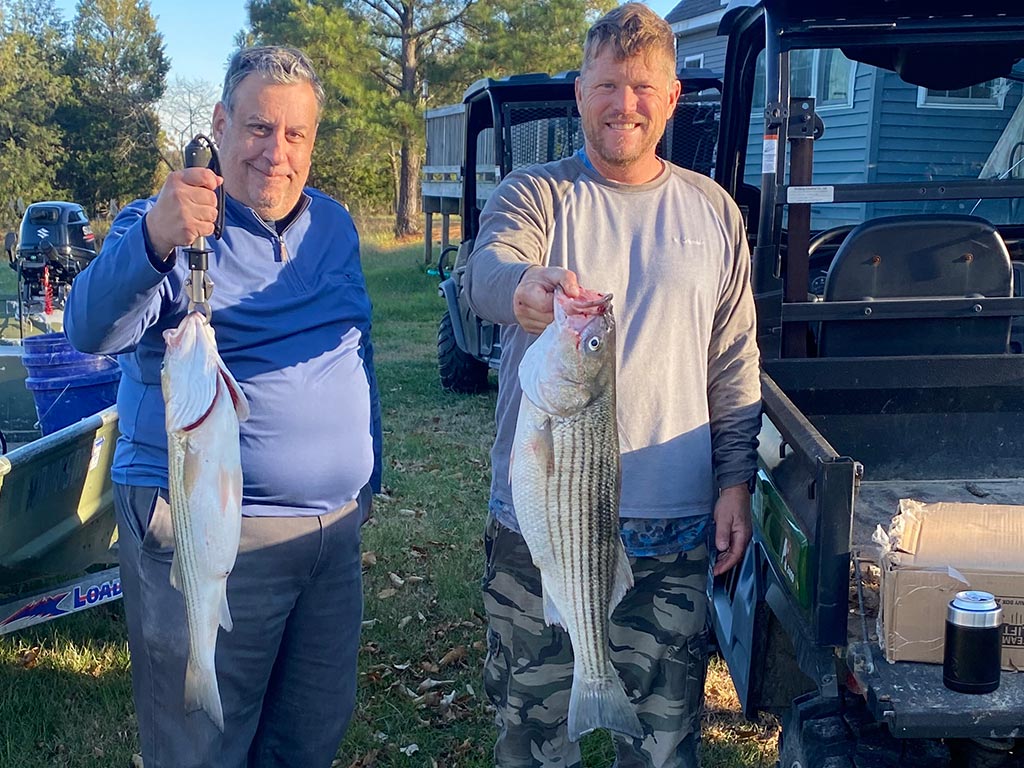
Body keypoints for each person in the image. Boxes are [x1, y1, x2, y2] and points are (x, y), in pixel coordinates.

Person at [64, 45, 381, 768]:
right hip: (203, 525)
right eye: (259, 129)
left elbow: (352, 350)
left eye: (295, 135)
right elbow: (88, 329)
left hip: (329, 536)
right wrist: (153, 240)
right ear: (220, 123)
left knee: (309, 733)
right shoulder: (167, 224)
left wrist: (367, 478)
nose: (276, 153)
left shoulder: (334, 226)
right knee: (201, 744)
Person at [463, 5, 762, 767]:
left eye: (640, 87)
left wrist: (735, 483)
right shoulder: (536, 193)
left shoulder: (715, 212)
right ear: (579, 93)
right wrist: (525, 287)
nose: (622, 103)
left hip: (675, 532)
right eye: (605, 85)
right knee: (529, 743)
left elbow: (731, 363)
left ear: (670, 99)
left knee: (665, 748)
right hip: (541, 530)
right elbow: (485, 271)